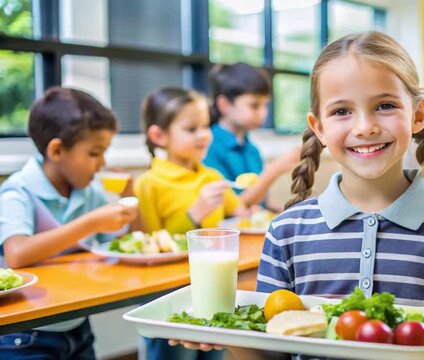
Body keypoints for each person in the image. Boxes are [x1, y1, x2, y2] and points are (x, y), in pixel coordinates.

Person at [173, 31, 424, 360]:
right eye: (342, 111)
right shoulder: (286, 232)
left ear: (418, 114)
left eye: (385, 105)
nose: (365, 127)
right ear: (318, 127)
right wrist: (222, 333)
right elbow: (271, 352)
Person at [0, 87, 139, 359]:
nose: (102, 164)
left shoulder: (87, 192)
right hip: (26, 334)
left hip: (77, 324)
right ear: (57, 149)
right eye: (94, 153)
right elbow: (16, 253)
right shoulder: (18, 191)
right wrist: (90, 223)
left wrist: (130, 200)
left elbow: (132, 241)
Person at [135, 87, 246, 360]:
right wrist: (194, 213)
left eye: (205, 125)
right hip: (168, 294)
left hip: (214, 288)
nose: (203, 134)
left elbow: (241, 212)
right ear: (158, 136)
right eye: (191, 128)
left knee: (213, 354)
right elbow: (150, 245)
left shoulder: (211, 176)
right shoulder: (148, 183)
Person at [203, 63, 300, 211]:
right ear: (224, 104)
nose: (263, 113)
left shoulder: (252, 149)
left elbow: (260, 204)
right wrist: (273, 170)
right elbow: (232, 207)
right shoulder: (207, 146)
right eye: (254, 105)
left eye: (265, 105)